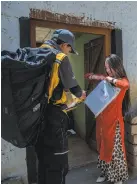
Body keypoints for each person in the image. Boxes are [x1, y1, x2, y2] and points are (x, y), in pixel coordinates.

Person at [35, 29, 86, 184]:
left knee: (44, 159)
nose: (69, 51)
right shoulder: (60, 58)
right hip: (54, 116)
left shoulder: (39, 52)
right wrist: (81, 94)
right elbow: (74, 87)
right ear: (64, 45)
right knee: (59, 162)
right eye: (70, 48)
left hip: (37, 114)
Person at [84, 54, 130, 184]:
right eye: (106, 67)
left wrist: (111, 79)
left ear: (116, 66)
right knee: (103, 148)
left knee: (115, 151)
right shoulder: (106, 79)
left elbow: (125, 85)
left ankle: (118, 178)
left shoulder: (121, 81)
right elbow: (91, 76)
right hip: (102, 121)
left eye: (109, 67)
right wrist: (95, 76)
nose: (107, 70)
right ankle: (105, 173)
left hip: (114, 122)